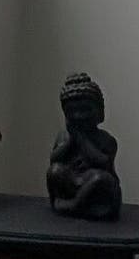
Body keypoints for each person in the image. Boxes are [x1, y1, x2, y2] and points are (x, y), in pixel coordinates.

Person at [45, 72, 124, 220]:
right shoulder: (64, 136)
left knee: (100, 178)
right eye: (72, 111)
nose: (79, 116)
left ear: (100, 112)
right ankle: (65, 202)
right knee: (54, 171)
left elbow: (103, 162)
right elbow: (54, 159)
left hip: (95, 184)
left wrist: (80, 139)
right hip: (72, 180)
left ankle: (74, 205)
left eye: (85, 110)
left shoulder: (106, 139)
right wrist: (70, 141)